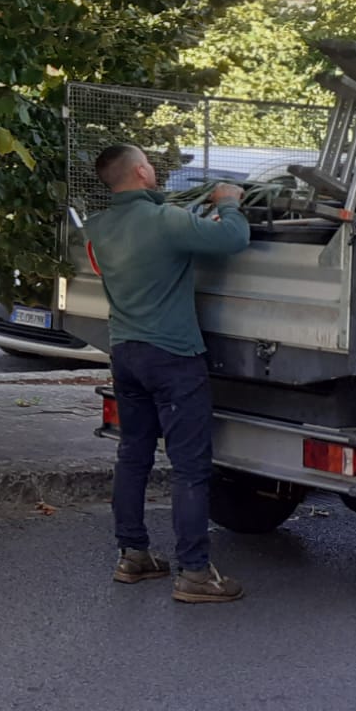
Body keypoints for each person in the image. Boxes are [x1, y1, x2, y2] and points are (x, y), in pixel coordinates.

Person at [83, 143, 251, 603]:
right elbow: (234, 240)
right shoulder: (165, 222)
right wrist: (229, 202)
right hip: (174, 356)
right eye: (150, 163)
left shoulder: (99, 227)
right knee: (190, 468)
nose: (155, 168)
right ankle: (195, 573)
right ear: (140, 171)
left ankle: (133, 554)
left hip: (126, 353)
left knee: (133, 455)